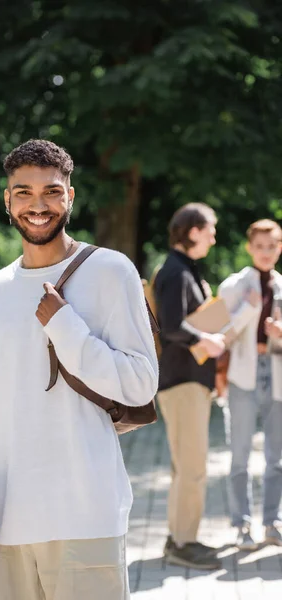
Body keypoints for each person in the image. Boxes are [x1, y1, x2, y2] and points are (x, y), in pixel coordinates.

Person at [0, 139, 159, 600]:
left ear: (70, 196)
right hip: (7, 521)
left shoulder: (111, 271)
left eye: (51, 192)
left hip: (86, 515)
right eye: (23, 192)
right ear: (7, 200)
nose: (37, 205)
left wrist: (66, 327)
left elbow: (141, 382)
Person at [154, 203, 225, 570]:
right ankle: (183, 543)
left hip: (187, 384)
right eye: (210, 230)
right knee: (192, 467)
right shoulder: (176, 272)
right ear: (193, 230)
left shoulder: (182, 271)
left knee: (186, 467)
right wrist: (208, 339)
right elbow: (172, 327)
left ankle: (177, 537)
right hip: (182, 384)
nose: (214, 237)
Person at [218, 219, 282, 550]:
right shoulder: (233, 286)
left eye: (272, 246)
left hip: (277, 376)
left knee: (277, 457)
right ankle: (242, 525)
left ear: (280, 247)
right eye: (260, 246)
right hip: (242, 374)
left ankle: (273, 522)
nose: (266, 252)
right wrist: (248, 309)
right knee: (240, 454)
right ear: (249, 248)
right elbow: (218, 334)